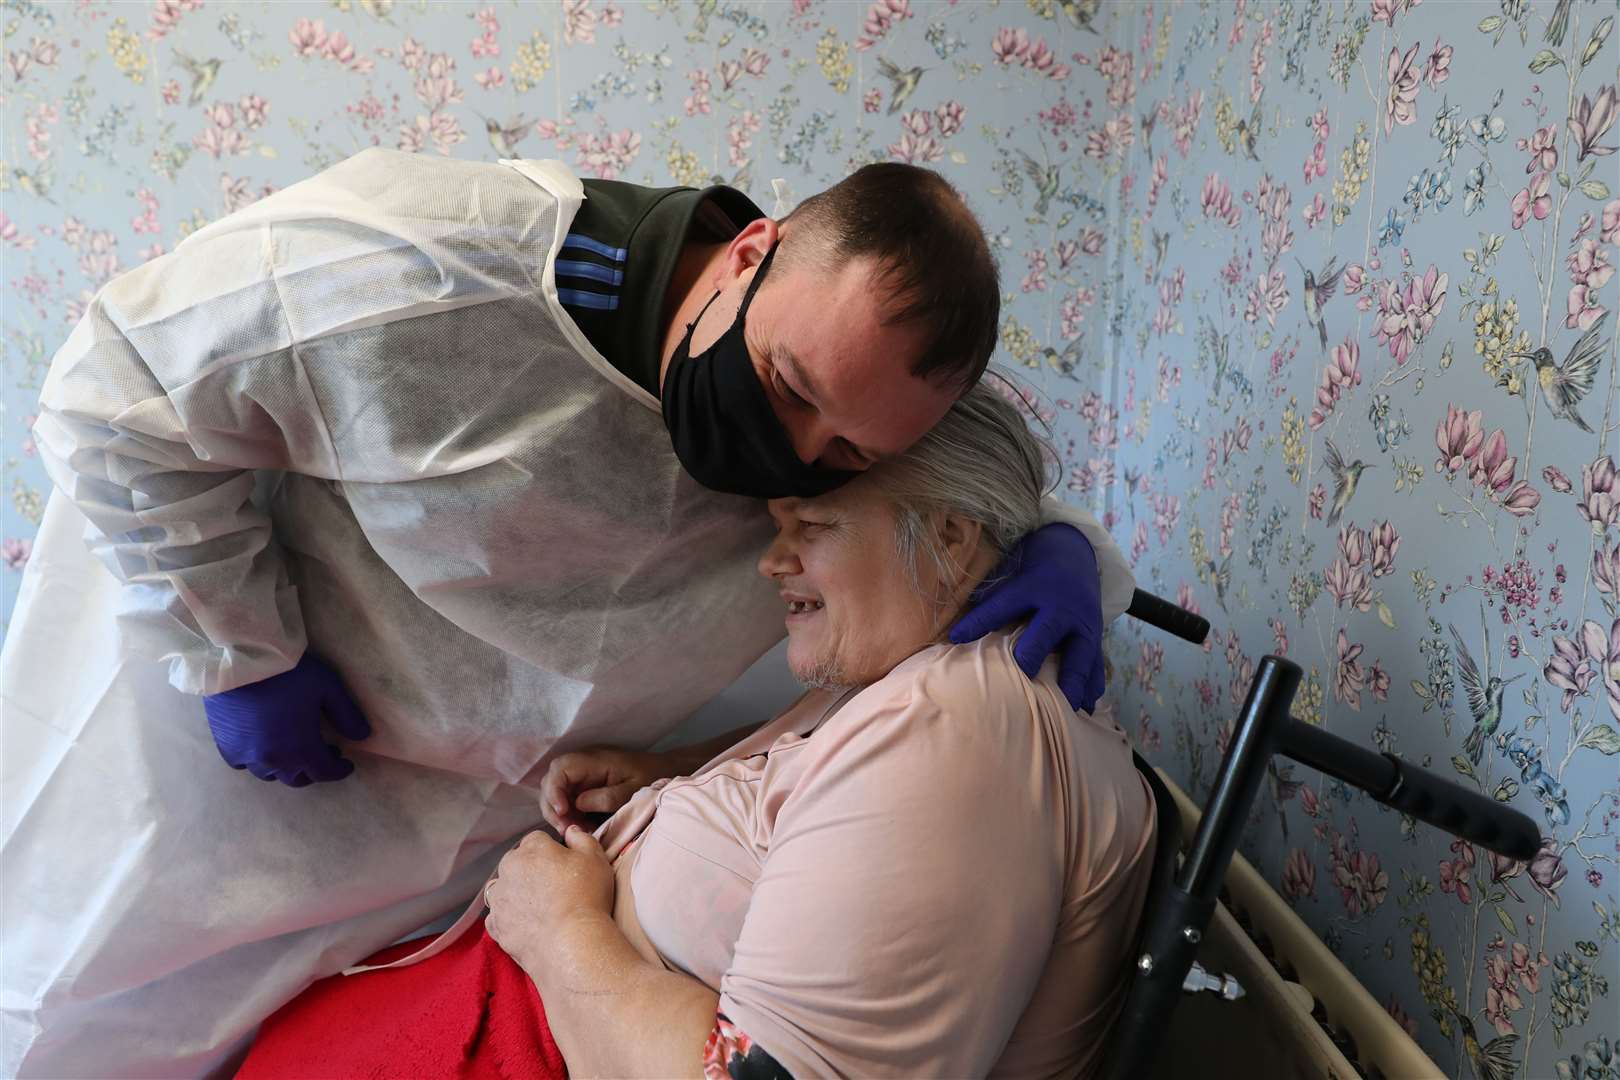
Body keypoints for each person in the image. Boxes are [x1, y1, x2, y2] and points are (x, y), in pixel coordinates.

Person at [0, 149, 1134, 1076]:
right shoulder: (430, 264)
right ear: (749, 253)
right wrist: (238, 651)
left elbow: (964, 507)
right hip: (208, 775)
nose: (792, 455)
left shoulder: (868, 429)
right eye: (788, 390)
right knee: (61, 1015)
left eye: (839, 459)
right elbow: (118, 387)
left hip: (441, 861)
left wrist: (1064, 551)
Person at [237, 384, 1156, 1080]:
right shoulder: (923, 671)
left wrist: (560, 934)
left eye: (816, 524)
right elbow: (842, 801)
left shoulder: (963, 735)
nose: (772, 559)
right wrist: (674, 777)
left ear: (954, 538)